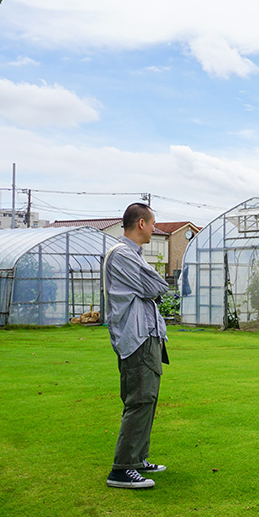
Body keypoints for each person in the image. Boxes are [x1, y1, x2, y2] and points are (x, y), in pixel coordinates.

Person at [104, 203, 170, 489]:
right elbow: (157, 287)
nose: (155, 228)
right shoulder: (122, 255)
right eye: (153, 223)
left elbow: (153, 287)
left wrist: (150, 289)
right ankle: (122, 468)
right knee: (139, 399)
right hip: (136, 338)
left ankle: (138, 458)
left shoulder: (134, 255)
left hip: (147, 335)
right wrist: (151, 289)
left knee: (148, 399)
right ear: (141, 223)